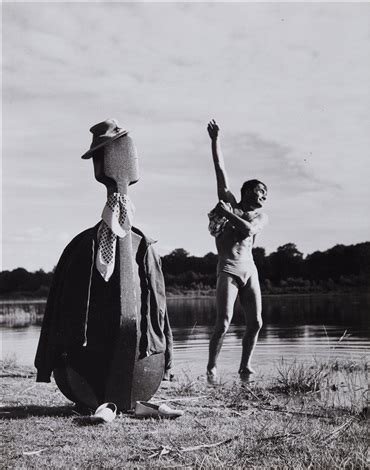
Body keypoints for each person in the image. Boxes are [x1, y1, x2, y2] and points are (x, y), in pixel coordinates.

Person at [206, 119, 268, 380]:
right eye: (260, 191)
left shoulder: (260, 216)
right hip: (228, 270)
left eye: (266, 194)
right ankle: (211, 366)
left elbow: (248, 231)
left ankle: (245, 365)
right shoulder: (231, 203)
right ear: (247, 191)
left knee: (256, 323)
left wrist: (226, 214)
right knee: (223, 323)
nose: (264, 197)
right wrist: (215, 139)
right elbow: (220, 168)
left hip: (249, 270)